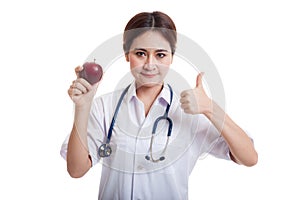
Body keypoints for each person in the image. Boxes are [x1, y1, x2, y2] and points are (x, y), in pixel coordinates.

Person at [60, 11, 258, 200]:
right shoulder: (105, 107)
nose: (149, 64)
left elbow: (249, 158)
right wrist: (82, 107)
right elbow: (76, 170)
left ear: (172, 57)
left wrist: (210, 108)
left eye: (160, 55)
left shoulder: (192, 110)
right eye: (140, 53)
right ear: (127, 54)